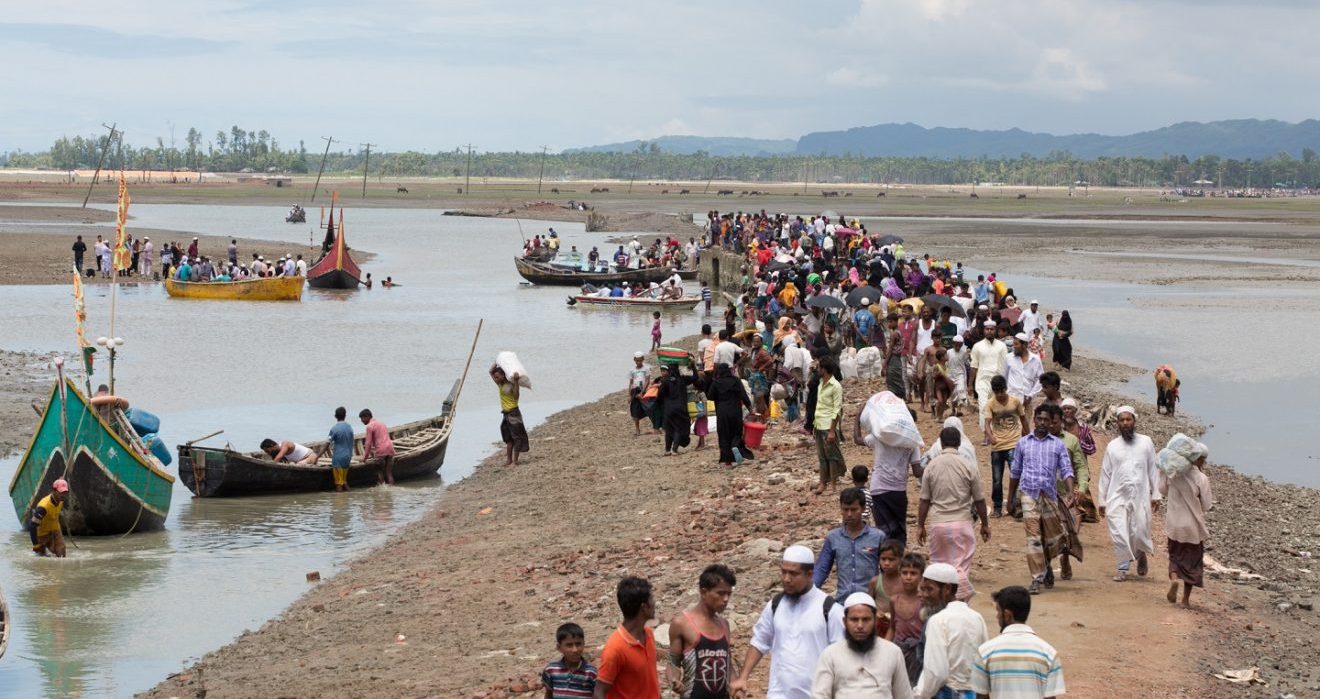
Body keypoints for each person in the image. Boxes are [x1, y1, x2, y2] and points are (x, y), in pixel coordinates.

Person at [733, 545, 845, 699]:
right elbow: (759, 642)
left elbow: (841, 656)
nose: (786, 579)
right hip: (778, 693)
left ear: (809, 574)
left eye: (793, 574)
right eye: (783, 572)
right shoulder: (775, 605)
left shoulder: (830, 609)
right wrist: (743, 677)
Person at [1006, 404, 1075, 594]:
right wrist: (1011, 499)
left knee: (1050, 537)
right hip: (1029, 494)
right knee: (1033, 537)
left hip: (1050, 495)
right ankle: (1036, 578)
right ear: (1034, 419)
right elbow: (1015, 472)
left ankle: (1047, 564)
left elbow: (1067, 470)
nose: (1043, 423)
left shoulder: (1057, 445)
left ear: (1051, 422)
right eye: (1040, 419)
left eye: (1047, 419)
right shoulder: (1023, 443)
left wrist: (1070, 492)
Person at [917, 427, 991, 602]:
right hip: (962, 523)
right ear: (959, 443)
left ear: (941, 443)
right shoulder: (968, 465)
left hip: (938, 524)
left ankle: (938, 603)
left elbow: (924, 500)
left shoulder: (932, 465)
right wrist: (985, 524)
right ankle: (959, 601)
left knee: (937, 564)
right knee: (961, 566)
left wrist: (920, 525)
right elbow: (979, 500)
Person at [1098, 406, 1161, 582]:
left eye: (1128, 419)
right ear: (1117, 423)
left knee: (1140, 530)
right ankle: (1122, 568)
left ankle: (1141, 554)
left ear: (1134, 421)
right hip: (1117, 495)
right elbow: (1105, 474)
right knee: (1119, 531)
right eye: (1122, 420)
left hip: (1140, 494)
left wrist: (1156, 494)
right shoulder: (1112, 446)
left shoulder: (1146, 442)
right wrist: (1101, 500)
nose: (1125, 423)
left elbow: (1153, 469)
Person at [810, 592, 913, 699]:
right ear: (845, 622)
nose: (860, 626)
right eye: (854, 620)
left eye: (866, 620)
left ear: (875, 621)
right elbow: (819, 695)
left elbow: (904, 695)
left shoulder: (893, 652)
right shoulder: (830, 654)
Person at [970, 586, 1066, 699]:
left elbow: (982, 696)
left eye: (998, 611)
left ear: (1007, 614)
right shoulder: (1049, 653)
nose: (997, 616)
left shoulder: (985, 652)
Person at [913, 562, 989, 699]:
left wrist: (921, 695)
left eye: (929, 589)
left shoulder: (937, 620)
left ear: (947, 589)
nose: (923, 595)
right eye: (922, 589)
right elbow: (984, 662)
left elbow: (936, 673)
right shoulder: (977, 617)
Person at [855, 401, 923, 546]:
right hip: (898, 492)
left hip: (878, 489)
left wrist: (857, 417)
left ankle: (884, 562)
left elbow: (857, 439)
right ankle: (897, 562)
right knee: (899, 531)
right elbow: (917, 472)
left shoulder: (881, 436)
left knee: (883, 530)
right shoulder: (912, 442)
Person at [667, 564, 736, 699]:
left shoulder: (724, 625)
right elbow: (673, 662)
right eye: (721, 593)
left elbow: (728, 665)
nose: (726, 599)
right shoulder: (681, 624)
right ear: (704, 592)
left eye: (729, 594)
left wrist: (736, 686)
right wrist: (674, 680)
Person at [1159, 440, 1213, 608]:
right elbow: (1206, 505)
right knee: (1192, 562)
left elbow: (1162, 490)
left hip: (1174, 524)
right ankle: (1185, 600)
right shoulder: (1201, 478)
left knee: (1175, 555)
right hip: (1192, 528)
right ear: (1200, 459)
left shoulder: (1173, 473)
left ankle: (1174, 579)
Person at [595, 577, 662, 699]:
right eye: (652, 599)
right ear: (644, 607)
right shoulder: (615, 648)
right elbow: (599, 692)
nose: (654, 603)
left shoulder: (648, 634)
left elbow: (649, 681)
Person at [814, 488, 886, 601]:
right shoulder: (833, 538)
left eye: (854, 509)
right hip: (843, 601)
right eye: (845, 509)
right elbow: (822, 568)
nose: (849, 514)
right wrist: (808, 591)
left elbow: (887, 569)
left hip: (870, 601)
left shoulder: (878, 537)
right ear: (841, 509)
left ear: (862, 509)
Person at [983, 376, 1026, 517]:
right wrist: (990, 437)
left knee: (1016, 476)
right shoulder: (990, 404)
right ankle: (997, 508)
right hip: (997, 446)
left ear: (1005, 389)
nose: (1000, 395)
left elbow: (1024, 420)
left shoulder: (1015, 402)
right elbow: (987, 424)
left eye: (1001, 391)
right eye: (997, 392)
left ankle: (1016, 505)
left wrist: (1029, 437)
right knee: (996, 479)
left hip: (1014, 443)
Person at [886, 552, 926, 681]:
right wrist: (884, 648)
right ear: (900, 574)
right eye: (905, 573)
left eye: (913, 573)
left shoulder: (925, 602)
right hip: (898, 651)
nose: (908, 577)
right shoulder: (894, 601)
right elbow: (892, 627)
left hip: (919, 654)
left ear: (921, 577)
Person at [708, 363, 754, 466]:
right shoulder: (736, 380)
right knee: (736, 432)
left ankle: (727, 461)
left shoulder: (716, 383)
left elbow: (710, 396)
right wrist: (750, 409)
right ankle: (735, 446)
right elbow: (743, 395)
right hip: (735, 410)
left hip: (722, 412)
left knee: (724, 434)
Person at [813, 357, 846, 494]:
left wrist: (833, 430)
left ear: (824, 369)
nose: (817, 369)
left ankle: (833, 485)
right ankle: (823, 483)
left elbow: (837, 409)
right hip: (819, 423)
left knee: (832, 456)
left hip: (828, 425)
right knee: (822, 456)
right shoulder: (820, 383)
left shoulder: (836, 386)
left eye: (819, 367)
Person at [544, 623, 599, 699]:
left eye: (578, 644)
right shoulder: (551, 670)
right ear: (559, 647)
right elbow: (548, 695)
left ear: (584, 644)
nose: (575, 650)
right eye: (569, 645)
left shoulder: (591, 672)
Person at [968, 323, 1008, 429]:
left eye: (992, 329)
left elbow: (1005, 365)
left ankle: (995, 430)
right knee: (983, 406)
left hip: (998, 382)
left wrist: (1005, 383)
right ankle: (986, 432)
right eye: (987, 329)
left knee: (996, 407)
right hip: (982, 381)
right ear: (984, 330)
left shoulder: (1002, 346)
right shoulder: (977, 346)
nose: (989, 331)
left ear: (995, 330)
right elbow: (974, 366)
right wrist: (970, 385)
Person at [491, 365, 529, 466]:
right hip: (506, 414)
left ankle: (515, 461)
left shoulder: (511, 385)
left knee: (517, 438)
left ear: (503, 376)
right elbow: (490, 372)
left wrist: (516, 381)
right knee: (508, 438)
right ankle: (509, 460)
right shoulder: (500, 384)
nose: (495, 379)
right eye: (495, 377)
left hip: (514, 413)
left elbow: (516, 396)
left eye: (497, 377)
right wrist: (497, 362)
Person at [1004, 333, 1043, 430]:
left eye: (1016, 344)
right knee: (1011, 427)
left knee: (1025, 427)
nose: (1014, 347)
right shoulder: (1009, 358)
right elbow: (1003, 377)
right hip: (1011, 398)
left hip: (1028, 401)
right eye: (1014, 344)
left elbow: (1041, 379)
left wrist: (1031, 395)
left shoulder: (1035, 360)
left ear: (1025, 345)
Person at [657, 364, 694, 456]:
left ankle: (667, 450)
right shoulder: (682, 379)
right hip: (680, 408)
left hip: (669, 409)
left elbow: (660, 395)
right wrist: (692, 366)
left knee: (669, 429)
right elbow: (695, 377)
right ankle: (674, 449)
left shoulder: (665, 381)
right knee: (679, 428)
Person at [29, 479, 69, 557]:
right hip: (42, 534)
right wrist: (35, 545)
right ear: (54, 491)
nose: (63, 495)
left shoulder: (61, 500)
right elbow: (32, 525)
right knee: (42, 557)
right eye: (61, 493)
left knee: (61, 553)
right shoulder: (43, 507)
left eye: (65, 493)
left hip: (55, 531)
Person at [359, 408, 397, 485]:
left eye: (362, 418)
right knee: (388, 473)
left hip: (381, 450)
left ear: (367, 416)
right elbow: (380, 438)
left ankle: (382, 490)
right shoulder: (381, 423)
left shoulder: (369, 426)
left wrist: (364, 458)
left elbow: (368, 443)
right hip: (390, 449)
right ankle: (391, 489)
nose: (361, 421)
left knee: (378, 470)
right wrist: (373, 451)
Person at [326, 406, 355, 492]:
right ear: (345, 415)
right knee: (344, 481)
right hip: (348, 457)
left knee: (338, 483)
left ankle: (340, 502)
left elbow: (327, 443)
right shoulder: (349, 427)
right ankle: (349, 496)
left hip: (338, 458)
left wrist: (317, 457)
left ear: (335, 416)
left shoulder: (334, 429)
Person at [627, 351, 651, 436]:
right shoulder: (632, 370)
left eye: (640, 360)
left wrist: (642, 392)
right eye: (637, 360)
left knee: (648, 408)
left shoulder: (646, 369)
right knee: (634, 411)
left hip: (643, 390)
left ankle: (656, 427)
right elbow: (631, 383)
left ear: (643, 359)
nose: (638, 362)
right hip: (634, 391)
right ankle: (637, 429)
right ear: (634, 360)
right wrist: (629, 395)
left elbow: (648, 380)